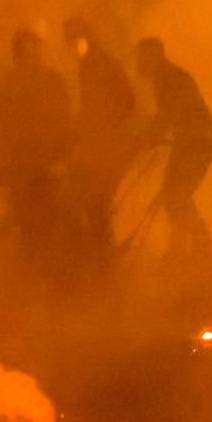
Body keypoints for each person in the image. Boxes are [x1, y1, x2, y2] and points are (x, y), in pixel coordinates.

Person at [135, 37, 212, 259]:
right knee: (173, 194)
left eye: (144, 57)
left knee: (176, 195)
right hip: (189, 141)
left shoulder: (171, 78)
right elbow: (168, 116)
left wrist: (150, 136)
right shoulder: (162, 78)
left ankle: (201, 245)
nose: (141, 62)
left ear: (155, 56)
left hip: (197, 143)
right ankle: (179, 249)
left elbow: (169, 114)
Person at [0, 29, 72, 267]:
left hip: (46, 161)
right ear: (19, 53)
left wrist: (63, 155)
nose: (34, 54)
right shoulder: (8, 84)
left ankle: (50, 270)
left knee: (49, 214)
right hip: (19, 163)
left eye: (36, 48)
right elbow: (1, 123)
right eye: (28, 50)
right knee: (25, 216)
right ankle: (31, 270)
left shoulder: (53, 80)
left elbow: (63, 119)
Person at [63, 16, 136, 253]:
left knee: (95, 201)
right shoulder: (87, 66)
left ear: (88, 38)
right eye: (71, 39)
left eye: (78, 38)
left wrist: (106, 124)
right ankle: (100, 254)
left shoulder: (100, 64)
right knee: (94, 202)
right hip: (98, 143)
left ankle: (101, 257)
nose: (75, 44)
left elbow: (126, 100)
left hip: (106, 145)